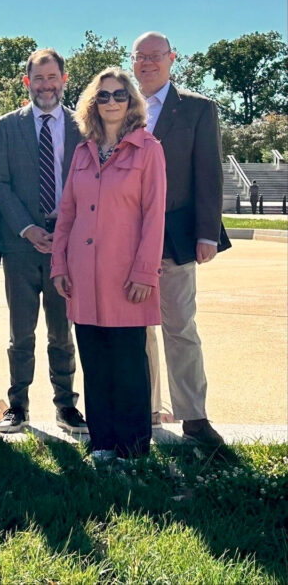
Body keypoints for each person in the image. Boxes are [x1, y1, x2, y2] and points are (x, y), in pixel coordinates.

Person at [51, 68, 166, 461]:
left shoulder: (149, 149)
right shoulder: (83, 152)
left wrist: (145, 271)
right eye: (103, 96)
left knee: (129, 364)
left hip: (127, 277)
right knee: (95, 362)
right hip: (83, 275)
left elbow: (155, 217)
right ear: (92, 104)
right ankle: (101, 443)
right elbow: (67, 213)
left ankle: (133, 448)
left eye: (119, 95)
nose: (112, 102)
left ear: (131, 101)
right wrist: (59, 265)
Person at [133, 31, 228, 446]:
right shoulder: (119, 105)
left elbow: (209, 174)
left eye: (155, 56)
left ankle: (192, 415)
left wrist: (208, 232)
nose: (147, 63)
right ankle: (147, 409)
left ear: (172, 59)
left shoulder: (197, 109)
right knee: (136, 327)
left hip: (176, 233)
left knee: (179, 325)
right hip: (126, 236)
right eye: (140, 56)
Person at [0, 49, 87, 435]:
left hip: (69, 243)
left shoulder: (83, 127)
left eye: (52, 78)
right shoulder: (7, 126)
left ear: (64, 80)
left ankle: (66, 406)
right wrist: (27, 228)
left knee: (62, 332)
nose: (46, 86)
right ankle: (18, 404)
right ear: (27, 83)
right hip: (21, 244)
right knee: (21, 332)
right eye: (38, 79)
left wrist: (65, 229)